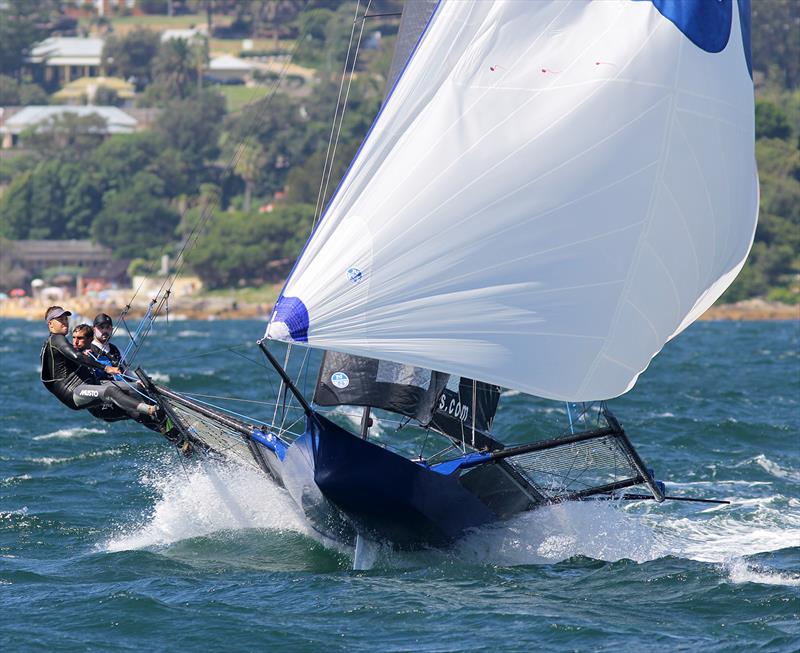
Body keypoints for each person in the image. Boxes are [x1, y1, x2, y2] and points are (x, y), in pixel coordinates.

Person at [40, 306, 157, 420]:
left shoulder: (53, 344)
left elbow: (70, 358)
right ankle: (150, 409)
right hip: (75, 391)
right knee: (111, 391)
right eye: (60, 320)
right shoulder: (56, 339)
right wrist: (106, 368)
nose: (65, 322)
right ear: (50, 324)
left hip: (85, 386)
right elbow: (76, 356)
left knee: (132, 386)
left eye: (65, 319)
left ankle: (157, 410)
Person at [89, 312, 125, 380]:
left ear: (112, 330)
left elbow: (127, 372)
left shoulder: (117, 350)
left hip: (121, 386)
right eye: (101, 327)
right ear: (94, 330)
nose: (105, 331)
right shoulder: (88, 349)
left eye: (108, 327)